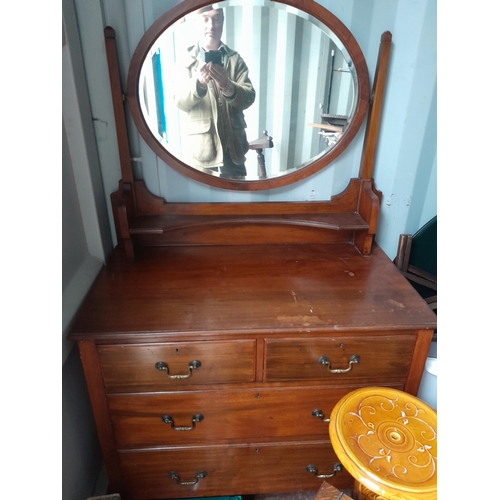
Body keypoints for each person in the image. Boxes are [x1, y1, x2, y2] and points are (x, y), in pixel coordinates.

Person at [172, 7, 256, 178]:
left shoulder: (235, 59)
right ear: (195, 23)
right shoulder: (185, 62)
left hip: (234, 154)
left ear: (223, 22)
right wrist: (198, 84)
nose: (211, 25)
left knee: (238, 203)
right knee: (204, 204)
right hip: (201, 159)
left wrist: (227, 85)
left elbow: (249, 97)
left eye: (216, 19)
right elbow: (179, 100)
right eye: (205, 19)